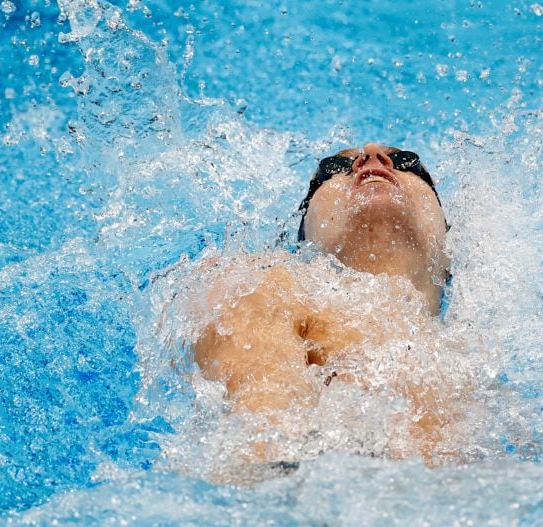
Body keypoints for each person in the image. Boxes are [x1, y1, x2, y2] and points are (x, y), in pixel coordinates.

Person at [192, 142, 457, 466]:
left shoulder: (483, 358)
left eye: (406, 161)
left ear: (451, 251)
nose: (371, 158)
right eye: (333, 168)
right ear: (305, 244)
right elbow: (261, 449)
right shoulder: (262, 285)